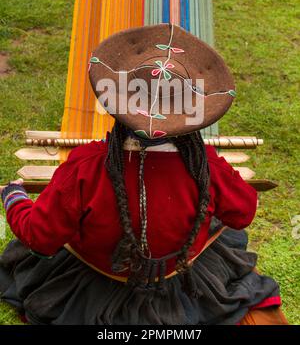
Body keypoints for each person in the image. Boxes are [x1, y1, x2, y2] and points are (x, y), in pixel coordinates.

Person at [0, 23, 283, 325]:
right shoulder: (207, 167)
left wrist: (14, 197)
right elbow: (241, 214)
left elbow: (40, 238)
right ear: (189, 115)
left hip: (99, 282)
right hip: (182, 279)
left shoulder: (86, 166)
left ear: (120, 106)